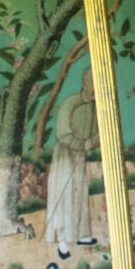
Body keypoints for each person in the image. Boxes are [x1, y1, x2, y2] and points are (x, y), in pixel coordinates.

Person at [45, 69, 99, 256]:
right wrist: (82, 144)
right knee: (64, 196)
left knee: (80, 193)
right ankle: (62, 242)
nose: (95, 88)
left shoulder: (94, 107)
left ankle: (82, 234)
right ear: (84, 84)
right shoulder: (70, 103)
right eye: (92, 82)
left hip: (80, 155)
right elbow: (62, 133)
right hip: (65, 155)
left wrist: (92, 142)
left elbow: (97, 134)